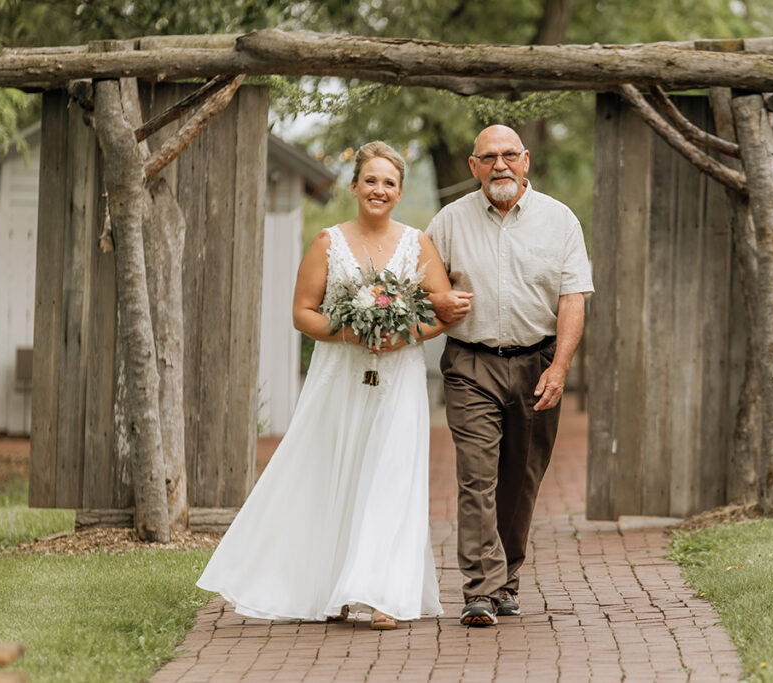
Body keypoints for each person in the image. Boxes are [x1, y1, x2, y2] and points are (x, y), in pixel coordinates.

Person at [197, 141, 453, 630]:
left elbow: (442, 313)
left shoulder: (417, 244)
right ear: (355, 186)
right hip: (339, 375)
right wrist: (354, 331)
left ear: (399, 193)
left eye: (389, 183)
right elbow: (302, 314)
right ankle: (328, 584)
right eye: (371, 181)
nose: (379, 190)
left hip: (398, 378)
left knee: (392, 477)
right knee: (332, 472)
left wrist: (400, 336)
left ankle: (383, 594)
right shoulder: (327, 242)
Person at [426, 124, 593, 627]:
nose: (499, 165)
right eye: (487, 157)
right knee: (477, 476)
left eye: (508, 156)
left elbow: (572, 298)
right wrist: (439, 300)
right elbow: (423, 288)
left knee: (520, 479)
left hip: (538, 363)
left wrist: (560, 367)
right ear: (472, 166)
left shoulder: (560, 220)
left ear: (525, 160)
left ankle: (507, 579)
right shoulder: (448, 223)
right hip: (470, 364)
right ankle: (480, 588)